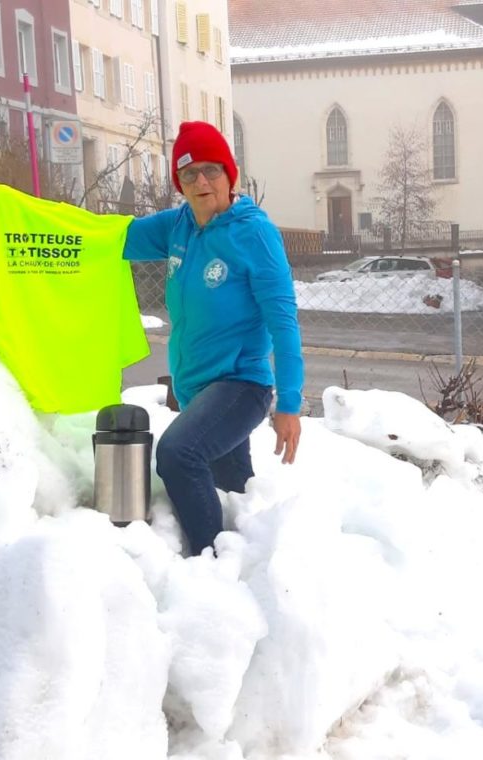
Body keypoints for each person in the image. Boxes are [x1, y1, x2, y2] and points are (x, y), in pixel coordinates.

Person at [122, 121, 304, 556]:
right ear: (179, 184)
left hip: (241, 385)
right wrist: (31, 227)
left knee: (178, 454)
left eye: (212, 170)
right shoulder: (178, 225)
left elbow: (283, 320)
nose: (202, 182)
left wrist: (291, 404)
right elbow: (114, 238)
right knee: (231, 495)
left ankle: (207, 563)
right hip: (198, 389)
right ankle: (241, 571)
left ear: (229, 175)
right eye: (189, 174)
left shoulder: (253, 233)